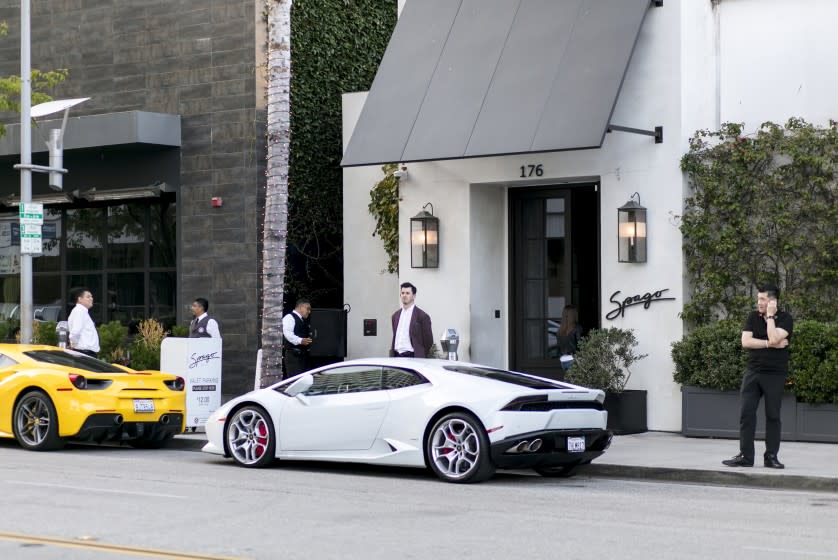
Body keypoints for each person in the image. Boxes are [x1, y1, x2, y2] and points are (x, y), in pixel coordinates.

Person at [723, 284, 793, 469]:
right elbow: (746, 342)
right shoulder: (752, 317)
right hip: (753, 372)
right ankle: (746, 456)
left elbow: (775, 337)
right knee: (746, 414)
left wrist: (770, 317)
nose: (758, 302)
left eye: (762, 299)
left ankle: (771, 457)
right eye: (758, 299)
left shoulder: (786, 319)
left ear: (772, 301)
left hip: (775, 374)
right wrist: (769, 344)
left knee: (773, 415)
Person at [390, 282, 433, 358]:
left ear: (413, 296)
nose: (404, 295)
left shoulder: (422, 316)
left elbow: (428, 342)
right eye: (402, 293)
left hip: (412, 356)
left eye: (407, 293)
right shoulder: (395, 316)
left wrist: (420, 354)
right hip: (396, 356)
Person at [283, 298, 313, 378]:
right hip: (293, 357)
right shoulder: (289, 317)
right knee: (295, 382)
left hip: (302, 356)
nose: (309, 312)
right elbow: (288, 334)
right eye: (308, 309)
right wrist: (300, 340)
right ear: (300, 307)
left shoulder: (302, 320)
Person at [68, 287, 100, 358]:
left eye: (91, 296)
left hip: (85, 353)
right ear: (80, 299)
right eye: (88, 297)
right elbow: (75, 332)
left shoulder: (82, 311)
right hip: (84, 353)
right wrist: (74, 346)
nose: (91, 298)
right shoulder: (79, 311)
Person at [557, 304, 583, 371]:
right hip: (573, 359)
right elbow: (581, 345)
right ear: (574, 315)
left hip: (563, 361)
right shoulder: (577, 328)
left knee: (568, 380)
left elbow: (559, 347)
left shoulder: (560, 330)